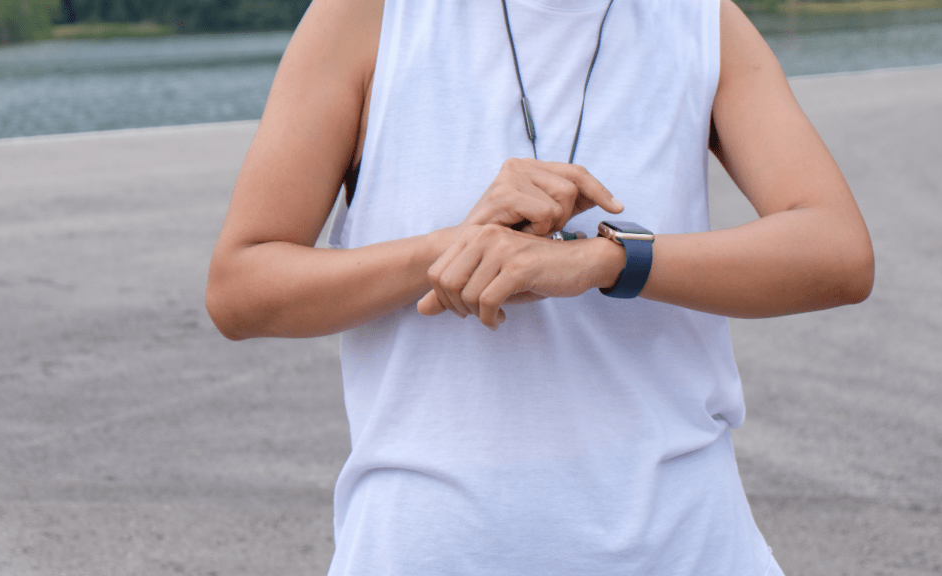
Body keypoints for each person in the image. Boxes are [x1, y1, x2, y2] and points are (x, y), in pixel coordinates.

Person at [206, 0, 874, 573]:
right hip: (430, 550)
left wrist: (604, 263)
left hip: (685, 546)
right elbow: (241, 285)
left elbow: (836, 250)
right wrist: (451, 251)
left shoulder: (699, 18)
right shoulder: (370, 16)